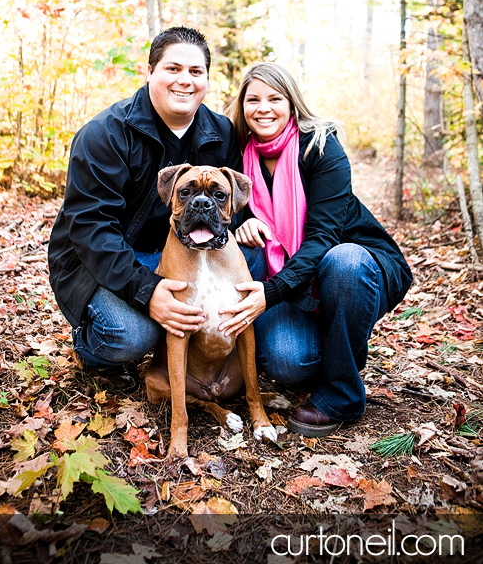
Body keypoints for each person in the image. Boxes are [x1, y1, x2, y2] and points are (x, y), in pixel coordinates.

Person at [48, 26, 265, 390]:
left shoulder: (222, 132)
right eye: (173, 69)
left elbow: (229, 204)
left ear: (207, 80)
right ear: (150, 72)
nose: (185, 80)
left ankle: (219, 346)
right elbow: (90, 230)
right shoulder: (104, 134)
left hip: (180, 250)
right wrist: (148, 291)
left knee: (255, 263)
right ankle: (93, 349)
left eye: (196, 72)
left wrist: (247, 223)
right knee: (132, 334)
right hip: (102, 258)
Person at [220, 62, 413, 436]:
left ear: (292, 103)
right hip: (292, 278)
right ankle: (333, 344)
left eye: (275, 98)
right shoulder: (238, 153)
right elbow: (218, 207)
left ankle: (342, 395)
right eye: (253, 99)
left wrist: (270, 294)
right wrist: (240, 222)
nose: (264, 108)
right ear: (241, 105)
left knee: (345, 259)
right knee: (290, 363)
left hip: (352, 267)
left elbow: (324, 237)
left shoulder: (321, 146)